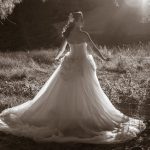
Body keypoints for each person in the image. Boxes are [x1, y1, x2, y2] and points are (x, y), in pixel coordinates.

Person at [0, 11, 146, 144]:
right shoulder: (84, 34)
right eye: (81, 19)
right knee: (87, 90)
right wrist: (103, 58)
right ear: (79, 21)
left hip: (69, 63)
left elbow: (62, 49)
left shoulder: (68, 34)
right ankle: (80, 117)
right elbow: (94, 48)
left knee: (65, 91)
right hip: (82, 64)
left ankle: (69, 117)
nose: (82, 22)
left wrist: (57, 58)